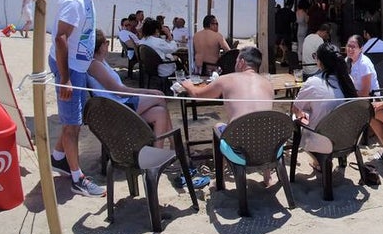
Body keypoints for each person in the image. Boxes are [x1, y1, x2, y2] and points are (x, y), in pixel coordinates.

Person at [48, 0, 111, 197]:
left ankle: (59, 157)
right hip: (70, 68)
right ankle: (77, 178)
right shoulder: (74, 0)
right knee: (72, 126)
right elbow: (60, 38)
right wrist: (65, 78)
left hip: (78, 67)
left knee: (74, 119)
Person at [177, 46, 277, 184]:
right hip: (269, 148)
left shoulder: (226, 79)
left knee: (219, 126)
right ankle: (267, 177)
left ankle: (221, 178)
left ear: (241, 62)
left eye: (236, 61)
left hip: (239, 148)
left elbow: (197, 95)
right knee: (260, 124)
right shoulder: (268, 84)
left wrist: (188, 85)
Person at [87, 30, 175, 143]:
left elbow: (120, 88)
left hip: (120, 103)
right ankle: (174, 143)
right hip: (116, 108)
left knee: (160, 113)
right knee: (160, 96)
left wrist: (146, 92)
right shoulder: (95, 65)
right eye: (106, 42)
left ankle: (161, 149)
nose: (107, 45)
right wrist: (147, 91)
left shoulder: (101, 62)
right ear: (100, 46)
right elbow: (119, 91)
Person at [291, 41, 358, 155]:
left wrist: (302, 115)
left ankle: (318, 161)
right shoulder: (348, 80)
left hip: (323, 142)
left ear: (320, 62)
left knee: (297, 118)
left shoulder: (313, 82)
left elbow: (296, 109)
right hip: (348, 139)